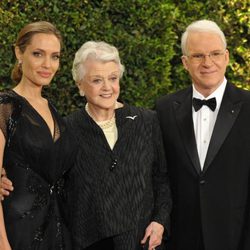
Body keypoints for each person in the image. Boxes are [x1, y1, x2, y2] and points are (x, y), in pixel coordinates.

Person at [64, 41, 172, 250]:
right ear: (79, 84)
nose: (107, 87)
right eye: (97, 80)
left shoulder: (147, 121)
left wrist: (160, 222)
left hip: (143, 242)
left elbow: (162, 179)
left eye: (112, 78)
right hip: (90, 243)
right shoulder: (67, 129)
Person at [155, 19, 250, 250]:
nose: (208, 63)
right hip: (181, 239)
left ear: (226, 57)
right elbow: (158, 174)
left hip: (237, 238)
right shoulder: (164, 109)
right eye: (198, 56)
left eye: (215, 54)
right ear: (185, 62)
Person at [0, 21, 76, 249]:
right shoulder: (5, 106)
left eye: (55, 56)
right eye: (37, 54)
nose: (47, 65)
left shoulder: (52, 109)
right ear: (19, 53)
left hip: (59, 232)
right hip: (18, 234)